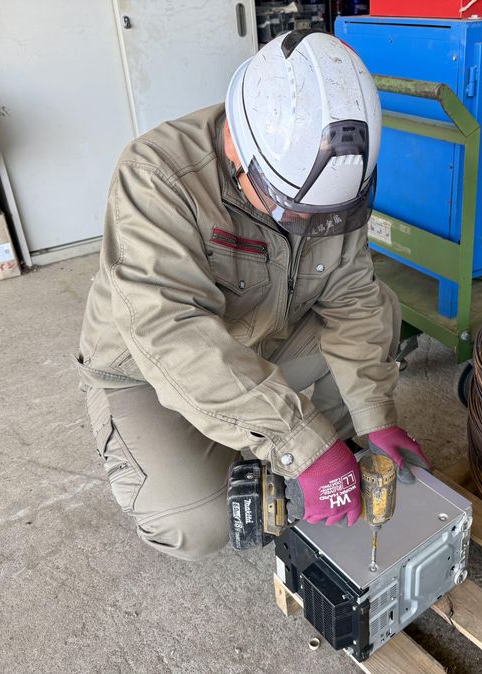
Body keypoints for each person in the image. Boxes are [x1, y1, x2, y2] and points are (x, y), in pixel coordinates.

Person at [77, 30, 429, 561]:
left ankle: (279, 435)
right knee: (196, 521)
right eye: (290, 209)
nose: (306, 224)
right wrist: (302, 444)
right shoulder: (156, 177)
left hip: (262, 336)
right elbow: (171, 336)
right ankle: (258, 442)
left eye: (322, 215)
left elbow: (353, 297)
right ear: (238, 150)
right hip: (147, 368)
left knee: (384, 312)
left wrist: (376, 415)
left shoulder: (336, 183)